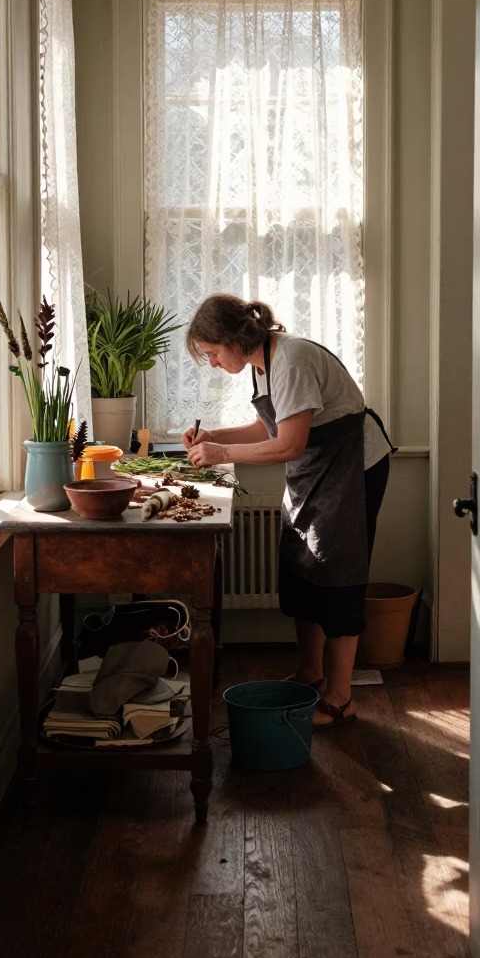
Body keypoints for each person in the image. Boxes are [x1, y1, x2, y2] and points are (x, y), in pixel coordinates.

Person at [184, 294, 394, 728]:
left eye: (212, 354)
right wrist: (215, 435)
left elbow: (289, 444)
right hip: (315, 468)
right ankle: (310, 674)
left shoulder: (292, 360)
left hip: (352, 468)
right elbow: (271, 428)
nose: (214, 365)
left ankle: (340, 700)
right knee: (302, 569)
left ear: (234, 339)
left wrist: (222, 452)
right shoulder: (262, 364)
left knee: (337, 575)